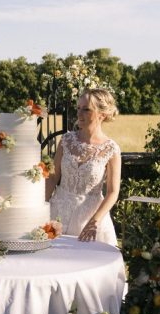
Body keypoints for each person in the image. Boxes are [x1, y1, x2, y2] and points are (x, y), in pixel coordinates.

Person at [46, 88, 121, 245]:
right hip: (57, 211)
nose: (79, 114)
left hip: (89, 218)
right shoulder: (66, 140)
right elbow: (53, 177)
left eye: (86, 109)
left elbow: (113, 192)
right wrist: (40, 208)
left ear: (102, 114)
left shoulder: (111, 149)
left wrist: (95, 222)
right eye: (78, 108)